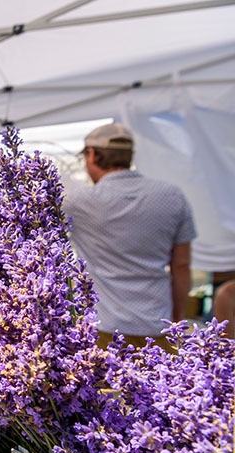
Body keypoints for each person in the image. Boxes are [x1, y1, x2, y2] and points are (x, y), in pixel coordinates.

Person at [63, 122, 196, 348]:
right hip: (157, 325)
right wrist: (176, 320)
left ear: (92, 155)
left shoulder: (78, 203)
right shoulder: (172, 196)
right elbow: (181, 266)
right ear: (129, 156)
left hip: (103, 329)